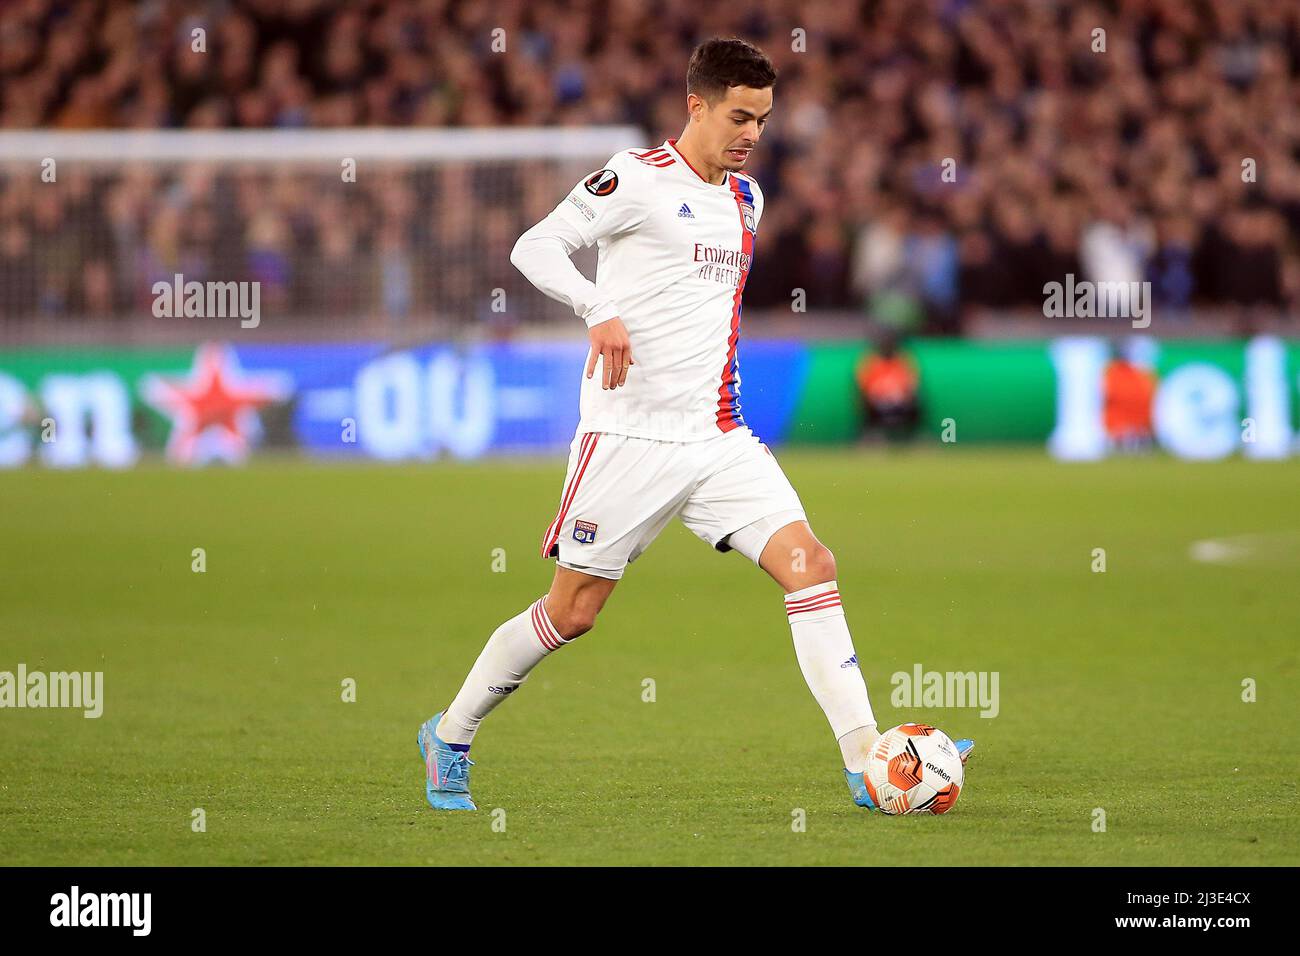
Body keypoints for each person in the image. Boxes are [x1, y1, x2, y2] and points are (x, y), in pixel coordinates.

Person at [418, 37, 972, 813]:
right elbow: (533, 245)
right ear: (696, 106)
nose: (752, 134)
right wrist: (597, 308)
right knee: (572, 613)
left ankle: (865, 763)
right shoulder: (636, 180)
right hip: (628, 437)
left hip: (717, 437)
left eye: (763, 120)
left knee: (811, 563)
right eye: (739, 117)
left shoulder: (748, 199)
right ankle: (450, 734)